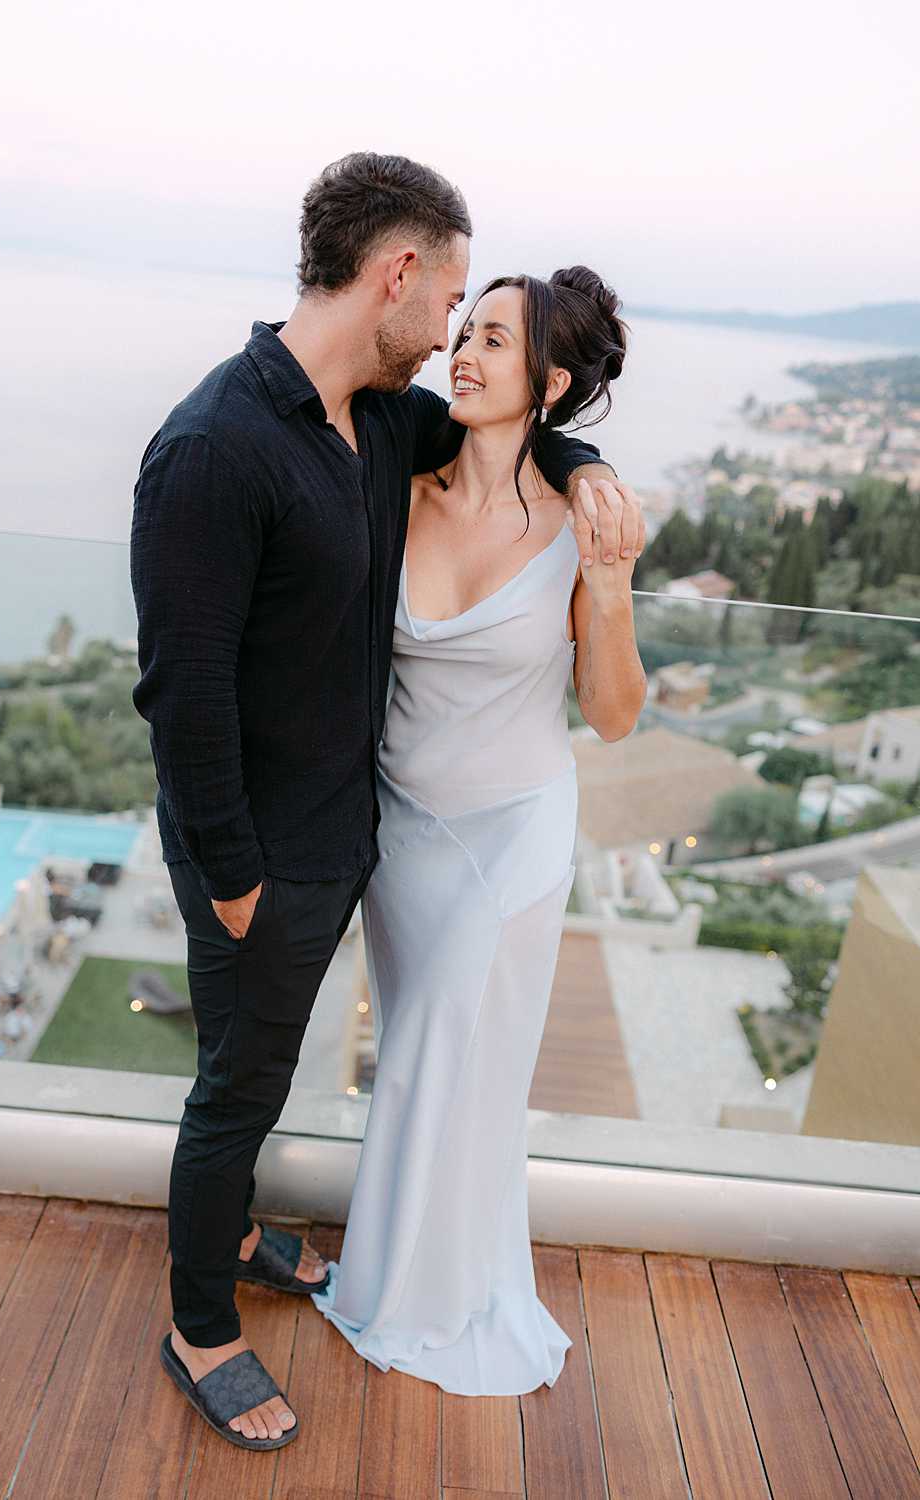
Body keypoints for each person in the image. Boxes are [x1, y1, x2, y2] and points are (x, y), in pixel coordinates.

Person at [129, 152, 623, 1451]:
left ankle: (231, 1234)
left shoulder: (379, 421)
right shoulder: (212, 448)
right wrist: (232, 878)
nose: (453, 332)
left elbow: (521, 440)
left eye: (480, 323)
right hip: (263, 856)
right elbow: (181, 700)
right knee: (239, 1088)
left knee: (272, 1068)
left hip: (364, 838)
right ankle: (199, 1326)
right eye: (450, 298)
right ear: (397, 275)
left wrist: (593, 487)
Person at [309, 269, 648, 1394]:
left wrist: (609, 588)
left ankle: (415, 1296)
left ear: (546, 382)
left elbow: (609, 714)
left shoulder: (577, 529)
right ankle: (414, 1270)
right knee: (424, 1056)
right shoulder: (395, 486)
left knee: (435, 1066)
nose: (460, 352)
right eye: (463, 332)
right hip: (400, 834)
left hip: (512, 837)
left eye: (490, 340)